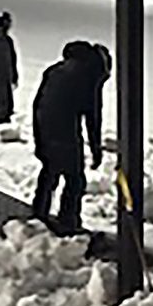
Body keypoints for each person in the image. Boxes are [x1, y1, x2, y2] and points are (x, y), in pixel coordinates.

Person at [31, 40, 110, 232]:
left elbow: (38, 105)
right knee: (75, 180)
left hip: (45, 127)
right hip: (64, 132)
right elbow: (92, 118)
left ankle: (37, 216)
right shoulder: (88, 77)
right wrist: (96, 149)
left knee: (50, 172)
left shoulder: (54, 71)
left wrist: (39, 139)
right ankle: (68, 223)